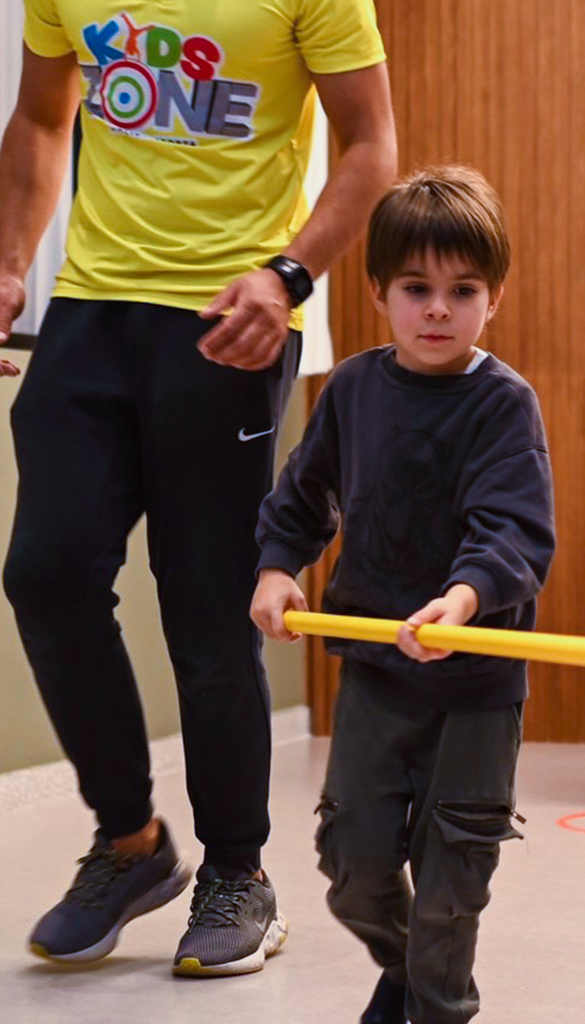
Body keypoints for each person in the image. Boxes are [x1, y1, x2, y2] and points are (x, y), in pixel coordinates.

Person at [1, 0, 397, 974]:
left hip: (233, 314)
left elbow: (369, 144)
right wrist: (12, 259)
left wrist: (291, 275)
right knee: (44, 573)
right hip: (92, 308)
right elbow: (45, 118)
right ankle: (130, 842)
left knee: (208, 614)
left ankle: (237, 872)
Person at [252, 165, 554, 1024]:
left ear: (492, 298)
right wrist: (280, 566)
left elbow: (514, 531)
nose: (436, 310)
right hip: (378, 676)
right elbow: (303, 499)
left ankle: (437, 1007)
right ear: (379, 290)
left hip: (475, 685)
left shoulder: (503, 405)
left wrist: (461, 603)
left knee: (454, 876)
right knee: (353, 867)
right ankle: (413, 970)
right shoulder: (350, 388)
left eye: (462, 291)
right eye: (416, 289)